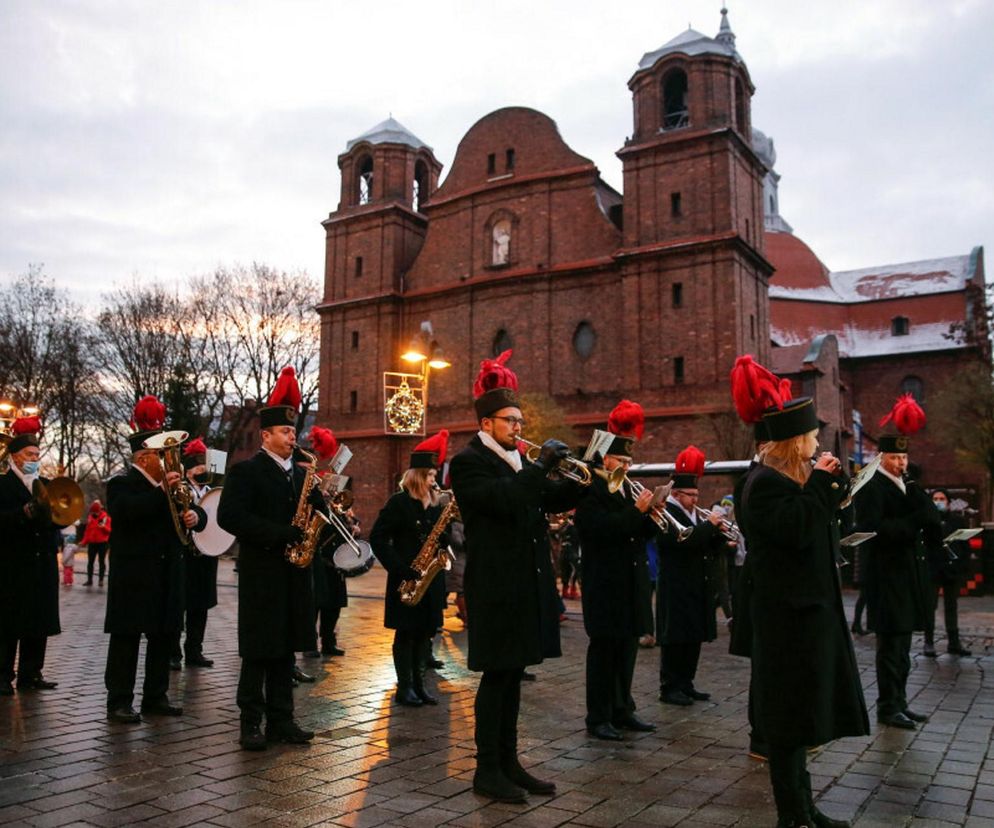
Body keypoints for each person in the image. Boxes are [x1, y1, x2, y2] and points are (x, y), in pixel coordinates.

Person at [736, 377, 868, 828]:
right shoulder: (763, 483)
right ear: (794, 442)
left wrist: (833, 489)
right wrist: (818, 485)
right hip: (786, 621)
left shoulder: (789, 481)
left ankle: (806, 809)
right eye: (811, 438)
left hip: (805, 615)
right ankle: (791, 815)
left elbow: (818, 526)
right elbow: (794, 529)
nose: (816, 445)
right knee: (788, 723)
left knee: (800, 717)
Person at [449, 350, 580, 803]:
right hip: (495, 585)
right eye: (510, 421)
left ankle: (510, 762)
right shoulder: (468, 462)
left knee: (514, 674)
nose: (519, 429)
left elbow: (547, 500)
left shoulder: (520, 463)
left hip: (525, 582)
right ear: (486, 424)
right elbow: (502, 500)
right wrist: (541, 468)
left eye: (520, 421)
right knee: (497, 676)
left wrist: (586, 478)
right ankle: (487, 769)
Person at [217, 366, 326, 751]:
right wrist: (280, 533)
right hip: (262, 571)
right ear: (266, 435)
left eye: (294, 431)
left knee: (285, 650)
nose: (291, 436)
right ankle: (251, 721)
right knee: (259, 649)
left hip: (294, 574)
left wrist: (321, 509)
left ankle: (283, 719)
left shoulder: (300, 475)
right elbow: (229, 517)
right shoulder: (247, 471)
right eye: (284, 431)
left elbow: (314, 519)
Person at [104, 396, 202, 723]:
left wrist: (194, 517)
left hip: (167, 572)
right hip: (134, 575)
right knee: (127, 639)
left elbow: (193, 510)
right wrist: (161, 492)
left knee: (164, 635)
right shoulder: (121, 484)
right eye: (163, 455)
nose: (168, 461)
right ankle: (119, 699)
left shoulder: (171, 487)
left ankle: (155, 695)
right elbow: (125, 512)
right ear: (145, 458)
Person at [574, 400, 657, 740]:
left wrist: (652, 515)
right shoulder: (589, 488)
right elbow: (599, 529)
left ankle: (623, 708)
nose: (626, 465)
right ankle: (599, 716)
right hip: (605, 583)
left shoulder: (625, 488)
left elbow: (636, 533)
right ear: (605, 458)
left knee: (627, 650)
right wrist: (636, 513)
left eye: (629, 460)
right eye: (621, 460)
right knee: (605, 652)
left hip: (630, 581)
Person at [854, 394, 933, 730]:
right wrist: (913, 521)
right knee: (890, 647)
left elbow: (927, 518)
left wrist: (920, 506)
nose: (901, 463)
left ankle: (900, 701)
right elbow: (875, 529)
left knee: (903, 647)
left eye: (904, 456)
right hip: (885, 578)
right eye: (895, 457)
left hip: (906, 576)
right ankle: (888, 706)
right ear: (882, 457)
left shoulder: (906, 483)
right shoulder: (872, 488)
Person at [370, 430, 450, 707]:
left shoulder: (436, 505)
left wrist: (445, 528)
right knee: (406, 633)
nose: (434, 480)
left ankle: (420, 685)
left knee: (425, 633)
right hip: (407, 578)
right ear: (417, 475)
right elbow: (378, 538)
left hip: (430, 580)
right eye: (429, 475)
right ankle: (405, 688)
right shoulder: (399, 503)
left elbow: (444, 539)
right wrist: (399, 567)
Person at [656, 445, 725, 706]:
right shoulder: (667, 512)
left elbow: (703, 542)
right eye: (690, 495)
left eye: (697, 494)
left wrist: (718, 538)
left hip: (697, 584)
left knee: (693, 636)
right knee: (676, 637)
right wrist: (709, 527)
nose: (695, 499)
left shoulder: (694, 513)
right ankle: (670, 686)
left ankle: (687, 683)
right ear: (676, 493)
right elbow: (680, 541)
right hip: (676, 585)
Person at [0, 416, 61, 695]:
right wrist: (24, 513)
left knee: (39, 618)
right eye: (29, 454)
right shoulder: (3, 485)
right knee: (9, 621)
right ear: (14, 456)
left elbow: (60, 515)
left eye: (37, 454)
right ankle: (2, 675)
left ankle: (31, 672)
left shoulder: (45, 483)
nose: (34, 458)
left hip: (42, 561)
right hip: (13, 562)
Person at [169, 438, 218, 669]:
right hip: (185, 554)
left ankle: (194, 649)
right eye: (199, 466)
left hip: (206, 555)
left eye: (205, 466)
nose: (204, 470)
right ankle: (173, 652)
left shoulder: (211, 492)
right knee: (179, 605)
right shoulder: (181, 491)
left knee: (200, 605)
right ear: (189, 470)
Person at [923, 489, 972, 657]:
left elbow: (965, 545)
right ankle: (928, 642)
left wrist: (962, 565)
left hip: (952, 569)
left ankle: (954, 642)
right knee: (930, 607)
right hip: (933, 569)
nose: (939, 501)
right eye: (935, 499)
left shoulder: (957, 520)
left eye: (942, 498)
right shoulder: (928, 520)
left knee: (952, 606)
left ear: (948, 502)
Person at [80, 499, 111, 587]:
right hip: (92, 543)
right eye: (93, 512)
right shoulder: (90, 518)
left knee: (101, 562)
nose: (94, 514)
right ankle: (89, 580)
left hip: (102, 543)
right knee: (90, 562)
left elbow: (110, 531)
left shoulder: (106, 518)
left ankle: (101, 580)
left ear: (99, 510)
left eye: (95, 512)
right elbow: (87, 531)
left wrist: (103, 527)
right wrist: (84, 542)